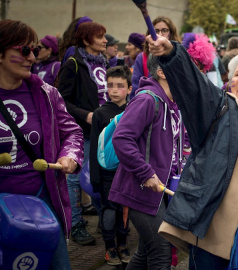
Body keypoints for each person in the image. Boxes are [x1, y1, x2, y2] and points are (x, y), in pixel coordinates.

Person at [145, 35, 238, 269]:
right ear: (231, 83)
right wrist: (173, 53)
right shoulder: (220, 109)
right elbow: (195, 86)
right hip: (215, 229)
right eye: (237, 74)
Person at [0, 19, 84, 269]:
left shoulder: (47, 93)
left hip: (40, 204)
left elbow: (73, 133)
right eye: (24, 50)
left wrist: (69, 156)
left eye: (35, 51)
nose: (32, 58)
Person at [108, 50, 184, 268]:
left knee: (144, 252)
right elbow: (122, 138)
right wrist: (146, 172)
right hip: (140, 189)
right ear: (162, 72)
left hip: (159, 191)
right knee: (160, 252)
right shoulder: (147, 100)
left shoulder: (173, 103)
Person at [57, 21, 108, 246]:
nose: (105, 40)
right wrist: (85, 115)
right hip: (82, 131)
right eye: (100, 37)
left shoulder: (104, 62)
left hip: (103, 131)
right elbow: (61, 101)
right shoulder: (73, 64)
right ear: (86, 40)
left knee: (102, 175)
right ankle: (75, 224)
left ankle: (105, 220)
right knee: (76, 180)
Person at [89, 66, 132, 265]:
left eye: (120, 86)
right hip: (107, 174)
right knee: (108, 209)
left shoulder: (134, 111)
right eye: (111, 85)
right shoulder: (99, 114)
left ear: (130, 89)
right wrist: (95, 178)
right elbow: (94, 148)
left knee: (125, 209)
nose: (114, 90)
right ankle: (110, 248)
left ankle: (123, 245)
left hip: (129, 172)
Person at [131, 16, 181, 94]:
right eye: (156, 31)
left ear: (170, 33)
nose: (160, 34)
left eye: (164, 30)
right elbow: (135, 88)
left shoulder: (179, 56)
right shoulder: (142, 58)